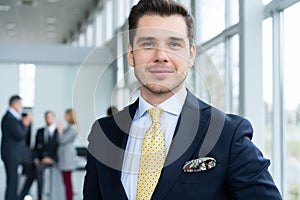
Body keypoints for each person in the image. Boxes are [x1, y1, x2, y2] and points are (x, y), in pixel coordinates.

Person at [83, 0, 282, 199]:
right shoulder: (103, 134)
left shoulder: (227, 135)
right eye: (148, 44)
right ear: (131, 55)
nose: (161, 56)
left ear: (191, 54)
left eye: (174, 44)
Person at [1, 95, 32, 200]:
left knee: (14, 181)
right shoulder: (9, 118)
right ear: (15, 103)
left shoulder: (12, 118)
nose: (21, 106)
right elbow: (20, 135)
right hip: (11, 155)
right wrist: (26, 124)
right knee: (12, 182)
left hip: (14, 154)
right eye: (20, 104)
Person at [33, 111, 59, 200]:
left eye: (50, 117)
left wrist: (52, 159)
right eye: (47, 117)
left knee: (40, 169)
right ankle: (39, 196)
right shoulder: (40, 131)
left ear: (53, 118)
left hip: (54, 159)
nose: (48, 119)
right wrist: (36, 159)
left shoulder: (58, 131)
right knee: (38, 169)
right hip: (42, 159)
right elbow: (36, 147)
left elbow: (60, 148)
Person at [57, 108, 78, 200]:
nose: (64, 116)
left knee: (67, 182)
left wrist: (60, 130)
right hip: (64, 157)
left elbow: (61, 140)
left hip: (67, 158)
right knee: (66, 182)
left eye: (66, 114)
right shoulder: (69, 127)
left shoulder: (72, 128)